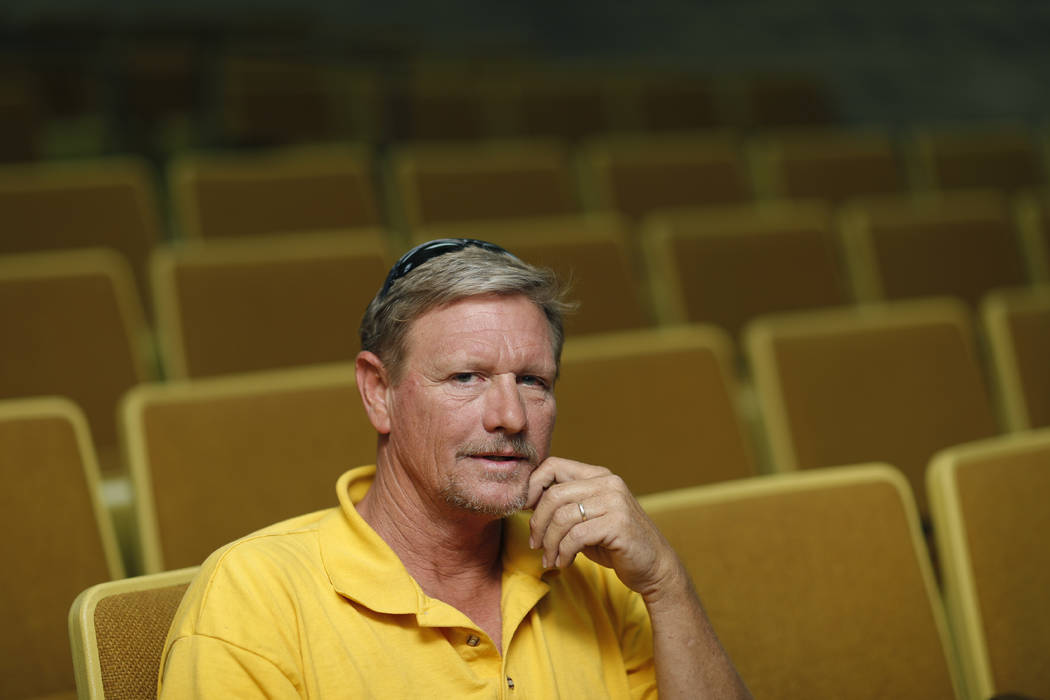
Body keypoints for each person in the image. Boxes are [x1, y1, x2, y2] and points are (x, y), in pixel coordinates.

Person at [157, 238, 751, 699]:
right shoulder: (255, 595)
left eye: (533, 381)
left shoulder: (594, 572)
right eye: (466, 378)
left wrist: (667, 588)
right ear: (378, 392)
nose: (510, 415)